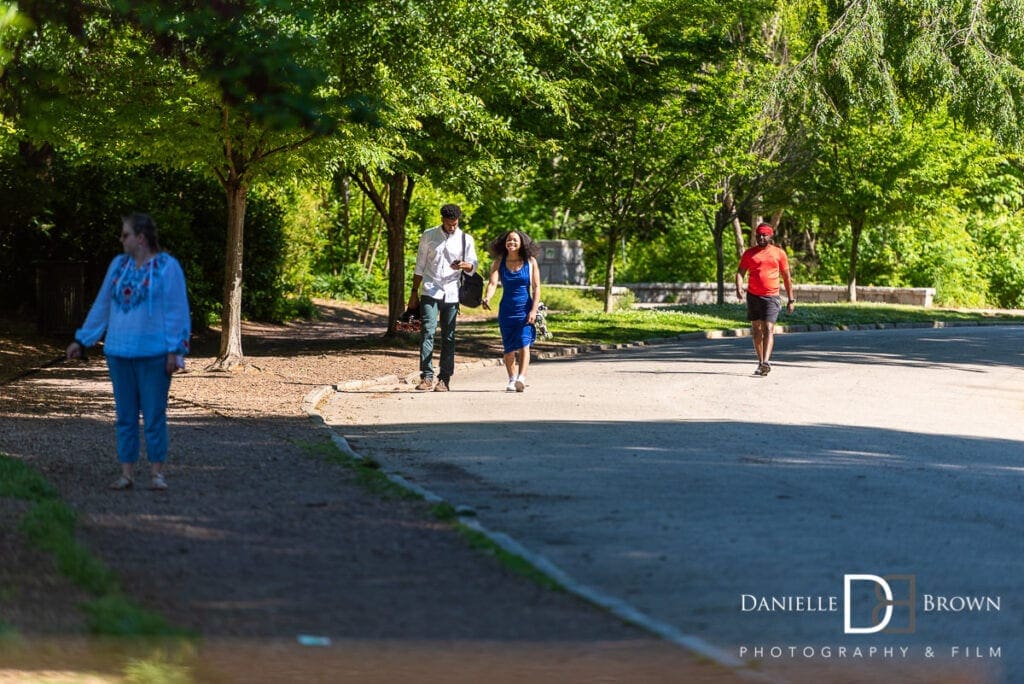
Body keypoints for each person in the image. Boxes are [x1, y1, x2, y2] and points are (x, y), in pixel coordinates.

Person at [66, 213, 191, 490]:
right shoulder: (118, 266)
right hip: (119, 353)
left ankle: (157, 473)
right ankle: (127, 473)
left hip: (154, 354)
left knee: (154, 415)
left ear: (141, 238)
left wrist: (175, 351)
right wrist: (82, 340)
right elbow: (102, 305)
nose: (121, 239)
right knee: (125, 416)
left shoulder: (167, 267)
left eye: (125, 235)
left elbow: (177, 310)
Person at [407, 203, 478, 392]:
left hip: (452, 292)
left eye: (455, 224)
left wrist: (464, 265)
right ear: (442, 220)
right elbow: (420, 266)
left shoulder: (465, 239)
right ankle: (426, 376)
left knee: (449, 336)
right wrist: (413, 293)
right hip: (430, 289)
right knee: (427, 331)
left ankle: (444, 378)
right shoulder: (429, 235)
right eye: (448, 224)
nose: (452, 227)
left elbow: (474, 266)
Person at [482, 230, 541, 392]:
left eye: (515, 240)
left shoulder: (530, 262)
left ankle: (521, 378)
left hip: (525, 309)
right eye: (509, 240)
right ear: (504, 243)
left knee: (524, 344)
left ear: (522, 243)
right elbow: (493, 284)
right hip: (506, 310)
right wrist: (487, 298)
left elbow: (536, 288)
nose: (512, 243)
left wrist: (533, 310)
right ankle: (511, 378)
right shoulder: (499, 261)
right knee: (508, 348)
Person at [735, 222, 794, 376]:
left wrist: (791, 299)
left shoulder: (779, 253)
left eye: (764, 235)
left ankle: (766, 361)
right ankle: (760, 362)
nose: (761, 237)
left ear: (770, 236)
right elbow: (740, 272)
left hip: (772, 297)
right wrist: (739, 287)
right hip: (753, 296)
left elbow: (787, 277)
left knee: (768, 328)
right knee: (756, 330)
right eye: (758, 235)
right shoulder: (749, 253)